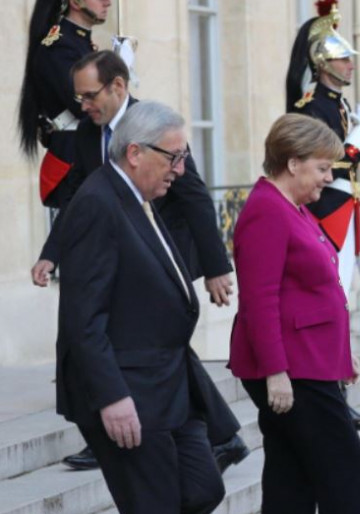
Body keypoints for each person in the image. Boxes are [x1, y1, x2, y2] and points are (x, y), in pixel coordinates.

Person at [52, 102, 225, 514]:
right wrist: (111, 397)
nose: (181, 168)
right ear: (135, 152)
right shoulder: (99, 205)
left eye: (184, 156)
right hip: (127, 392)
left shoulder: (139, 198)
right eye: (173, 157)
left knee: (202, 489)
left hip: (167, 383)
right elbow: (83, 318)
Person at [31, 50, 248, 474]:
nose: (83, 106)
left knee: (155, 344)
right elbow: (77, 197)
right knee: (148, 345)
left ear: (118, 87)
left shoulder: (155, 128)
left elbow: (194, 195)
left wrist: (217, 267)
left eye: (90, 96)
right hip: (118, 254)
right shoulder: (86, 134)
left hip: (156, 255)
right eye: (79, 99)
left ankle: (208, 433)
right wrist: (51, 252)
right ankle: (215, 434)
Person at [229, 113, 360, 514]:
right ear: (292, 163)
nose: (327, 178)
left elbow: (316, 290)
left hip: (310, 361)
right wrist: (275, 372)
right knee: (347, 475)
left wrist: (344, 351)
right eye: (320, 168)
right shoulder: (267, 211)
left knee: (293, 478)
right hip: (290, 369)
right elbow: (261, 299)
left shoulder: (289, 205)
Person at [285, 0, 360, 432]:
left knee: (342, 301)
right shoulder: (313, 107)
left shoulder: (335, 105)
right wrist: (358, 138)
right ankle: (335, 392)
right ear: (323, 63)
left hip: (345, 211)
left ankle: (341, 387)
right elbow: (332, 160)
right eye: (343, 59)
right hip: (327, 214)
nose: (350, 65)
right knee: (332, 300)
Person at [17, 0, 113, 213]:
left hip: (92, 155)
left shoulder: (82, 45)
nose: (107, 2)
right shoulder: (56, 48)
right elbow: (85, 106)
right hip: (73, 160)